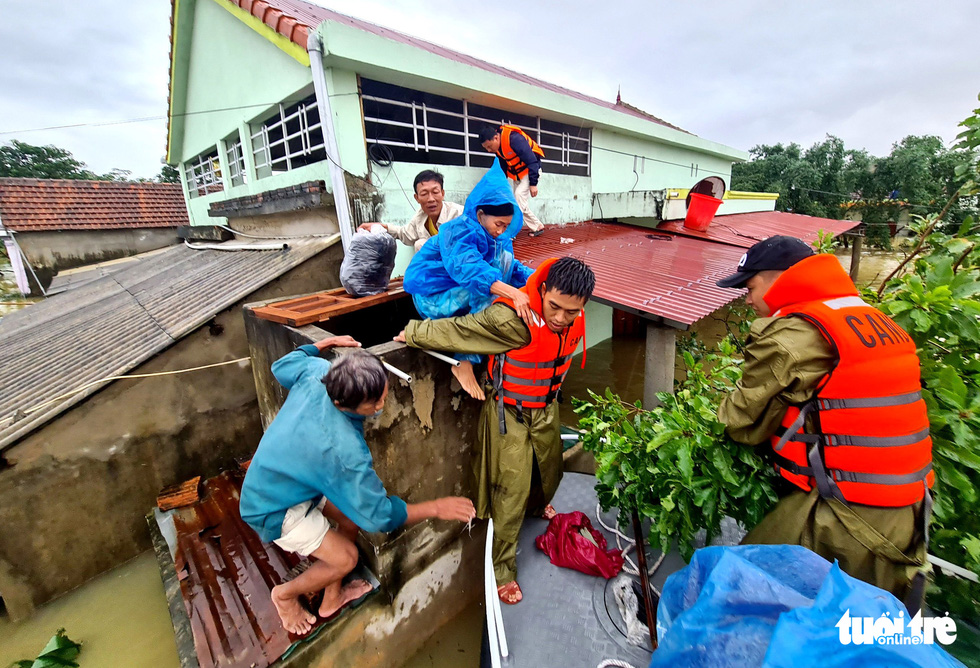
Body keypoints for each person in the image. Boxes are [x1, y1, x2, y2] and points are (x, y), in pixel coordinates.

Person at [715, 235, 933, 609]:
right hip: (913, 510)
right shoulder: (872, 318)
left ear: (779, 278)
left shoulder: (792, 335)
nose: (747, 300)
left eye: (750, 287)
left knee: (742, 584)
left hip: (853, 514)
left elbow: (741, 424)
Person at [240, 338, 476, 635]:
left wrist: (328, 341)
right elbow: (379, 517)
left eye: (383, 394)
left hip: (284, 480)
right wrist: (436, 507)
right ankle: (285, 596)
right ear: (341, 403)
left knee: (349, 517)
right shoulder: (345, 452)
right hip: (272, 509)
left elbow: (282, 365)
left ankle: (331, 598)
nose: (381, 404)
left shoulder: (318, 371)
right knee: (348, 558)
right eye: (373, 403)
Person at [395, 256, 596, 605]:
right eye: (555, 307)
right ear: (543, 290)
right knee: (510, 491)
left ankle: (538, 506)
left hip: (546, 409)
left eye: (572, 312)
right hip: (510, 414)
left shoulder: (574, 320)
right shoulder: (511, 320)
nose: (561, 319)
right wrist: (413, 332)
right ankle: (503, 568)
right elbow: (458, 330)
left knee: (549, 470)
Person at [403, 160, 535, 398]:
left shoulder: (497, 238)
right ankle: (464, 361)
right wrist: (514, 293)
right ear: (481, 214)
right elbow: (470, 270)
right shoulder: (458, 231)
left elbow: (512, 267)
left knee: (503, 262)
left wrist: (542, 280)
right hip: (431, 296)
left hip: (458, 293)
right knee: (489, 289)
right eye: (498, 224)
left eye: (506, 225)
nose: (501, 230)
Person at [358, 169, 463, 252]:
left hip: (461, 266)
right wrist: (381, 227)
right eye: (424, 194)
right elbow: (405, 234)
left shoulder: (459, 213)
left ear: (442, 194)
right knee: (420, 244)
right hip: (436, 270)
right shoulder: (421, 216)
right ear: (417, 198)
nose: (431, 199)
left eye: (435, 192)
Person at [479, 124, 545, 236]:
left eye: (489, 147)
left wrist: (533, 184)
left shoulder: (514, 139)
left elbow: (532, 161)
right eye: (486, 148)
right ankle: (537, 226)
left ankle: (510, 232)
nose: (489, 150)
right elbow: (503, 166)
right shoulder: (498, 149)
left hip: (530, 171)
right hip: (518, 175)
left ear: (496, 138)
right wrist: (501, 184)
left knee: (518, 199)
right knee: (520, 202)